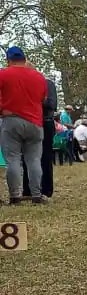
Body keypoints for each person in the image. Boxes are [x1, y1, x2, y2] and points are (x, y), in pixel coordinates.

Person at [0, 46, 48, 205]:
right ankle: (36, 195)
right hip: (35, 122)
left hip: (11, 120)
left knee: (13, 160)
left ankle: (15, 196)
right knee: (34, 160)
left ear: (9, 60)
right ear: (24, 58)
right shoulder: (39, 77)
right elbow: (43, 99)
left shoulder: (3, 74)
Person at [23, 74, 58, 199]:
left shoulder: (48, 84)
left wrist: (33, 99)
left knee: (45, 157)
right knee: (26, 158)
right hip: (29, 123)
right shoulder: (23, 85)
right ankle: (27, 191)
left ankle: (46, 190)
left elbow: (52, 104)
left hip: (45, 122)